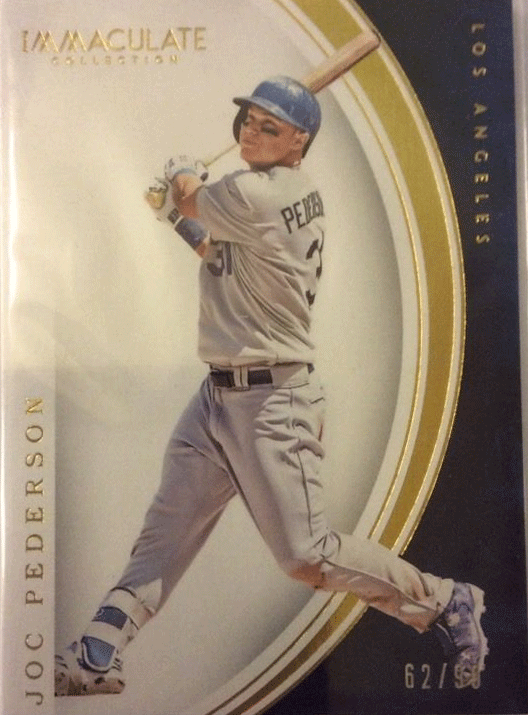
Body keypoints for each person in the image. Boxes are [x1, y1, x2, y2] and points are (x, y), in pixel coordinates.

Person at [55, 76, 488, 697]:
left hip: (272, 402)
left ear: (298, 142)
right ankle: (99, 654)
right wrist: (174, 215)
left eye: (270, 127)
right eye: (248, 121)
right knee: (163, 536)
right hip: (216, 401)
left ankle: (444, 600)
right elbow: (216, 252)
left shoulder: (262, 191)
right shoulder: (275, 194)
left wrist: (179, 177)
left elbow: (195, 196)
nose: (251, 133)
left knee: (305, 556)